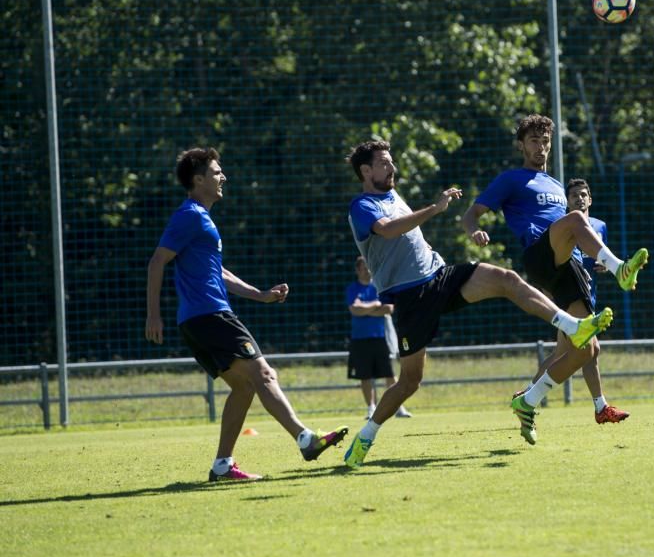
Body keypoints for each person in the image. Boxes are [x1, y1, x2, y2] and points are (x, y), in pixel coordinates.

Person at [342, 140, 614, 468]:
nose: (392, 168)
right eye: (384, 164)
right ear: (366, 171)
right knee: (410, 381)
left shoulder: (392, 195)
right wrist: (434, 208)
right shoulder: (361, 206)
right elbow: (387, 230)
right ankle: (367, 435)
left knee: (506, 279)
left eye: (391, 162)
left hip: (438, 276)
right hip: (409, 297)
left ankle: (573, 326)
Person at [146, 147, 350, 482]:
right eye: (215, 172)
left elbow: (218, 272)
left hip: (199, 320)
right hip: (210, 315)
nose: (222, 176)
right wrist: (153, 315)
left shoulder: (201, 219)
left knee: (244, 388)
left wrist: (260, 295)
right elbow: (157, 261)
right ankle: (305, 439)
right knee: (265, 375)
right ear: (198, 180)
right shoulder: (191, 215)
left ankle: (222, 465)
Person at [461, 115, 646, 435]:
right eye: (534, 141)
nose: (541, 147)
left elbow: (573, 233)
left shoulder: (557, 185)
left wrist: (588, 257)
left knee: (585, 350)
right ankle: (621, 269)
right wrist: (475, 231)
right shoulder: (511, 179)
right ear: (521, 145)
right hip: (539, 255)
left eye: (546, 142)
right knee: (576, 219)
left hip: (567, 266)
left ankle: (528, 401)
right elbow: (470, 214)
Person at [527, 178, 630, 424]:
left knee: (569, 353)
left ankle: (526, 395)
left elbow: (595, 255)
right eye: (574, 196)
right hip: (568, 298)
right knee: (588, 351)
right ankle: (599, 407)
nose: (579, 198)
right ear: (567, 201)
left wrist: (604, 266)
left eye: (583, 194)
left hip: (588, 296)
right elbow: (556, 265)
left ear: (590, 199)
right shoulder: (563, 227)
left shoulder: (599, 226)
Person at [346, 255, 412, 419]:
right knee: (365, 375)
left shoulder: (380, 286)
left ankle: (398, 407)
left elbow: (388, 308)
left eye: (369, 268)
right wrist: (375, 305)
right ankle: (371, 408)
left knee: (389, 374)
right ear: (357, 270)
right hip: (359, 338)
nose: (367, 271)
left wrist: (365, 308)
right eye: (363, 268)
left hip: (381, 337)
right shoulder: (352, 288)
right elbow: (354, 310)